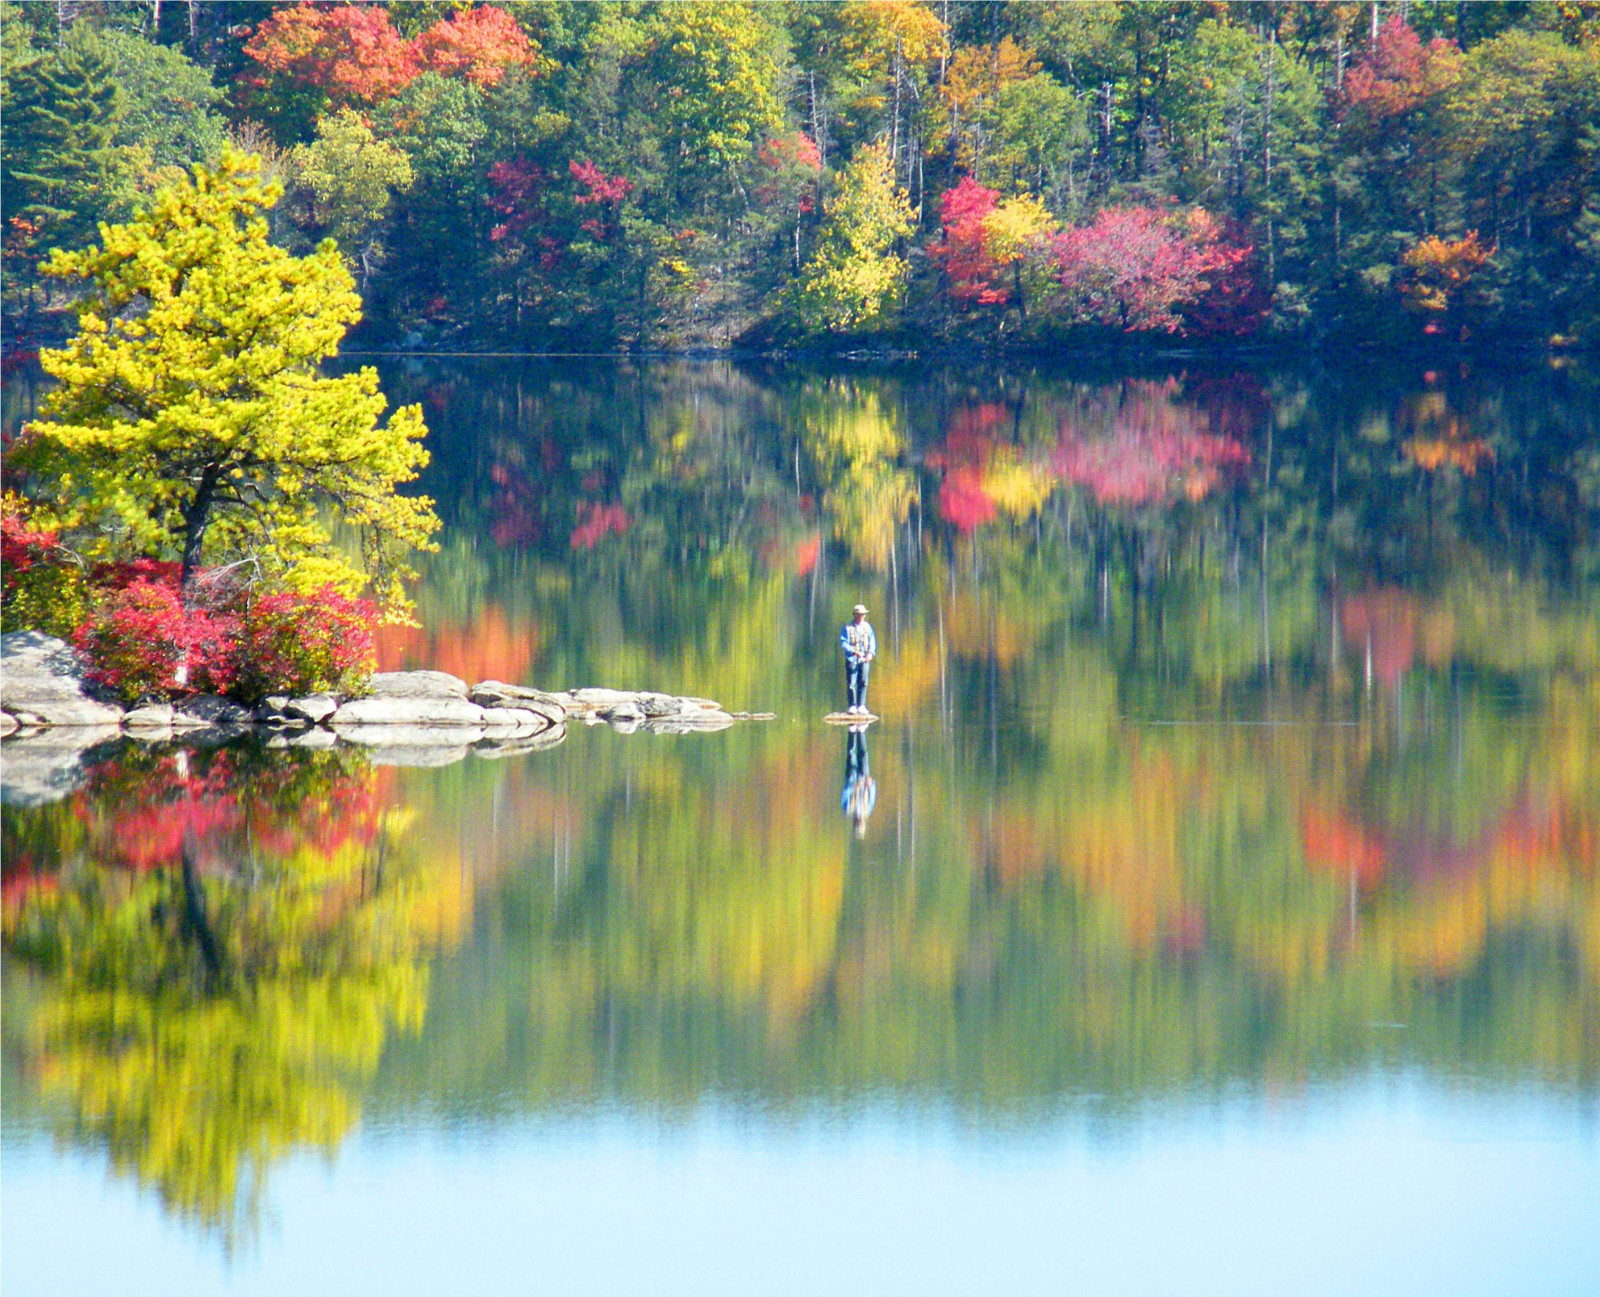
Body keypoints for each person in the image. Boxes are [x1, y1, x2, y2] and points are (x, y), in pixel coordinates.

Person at [839, 603, 876, 716]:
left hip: (864, 660)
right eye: (860, 614)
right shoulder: (847, 628)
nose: (862, 616)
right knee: (851, 683)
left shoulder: (868, 627)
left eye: (863, 614)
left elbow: (872, 642)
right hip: (852, 659)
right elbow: (843, 643)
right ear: (855, 615)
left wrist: (870, 653)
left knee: (863, 682)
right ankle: (852, 706)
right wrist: (853, 651)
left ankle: (861, 705)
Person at [841, 725, 876, 838]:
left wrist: (855, 787)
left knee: (851, 753)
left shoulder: (848, 809)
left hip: (851, 777)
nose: (859, 822)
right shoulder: (868, 809)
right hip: (864, 778)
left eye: (858, 824)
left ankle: (852, 732)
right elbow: (873, 794)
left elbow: (845, 791)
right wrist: (871, 784)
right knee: (864, 755)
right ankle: (861, 732)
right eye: (860, 824)